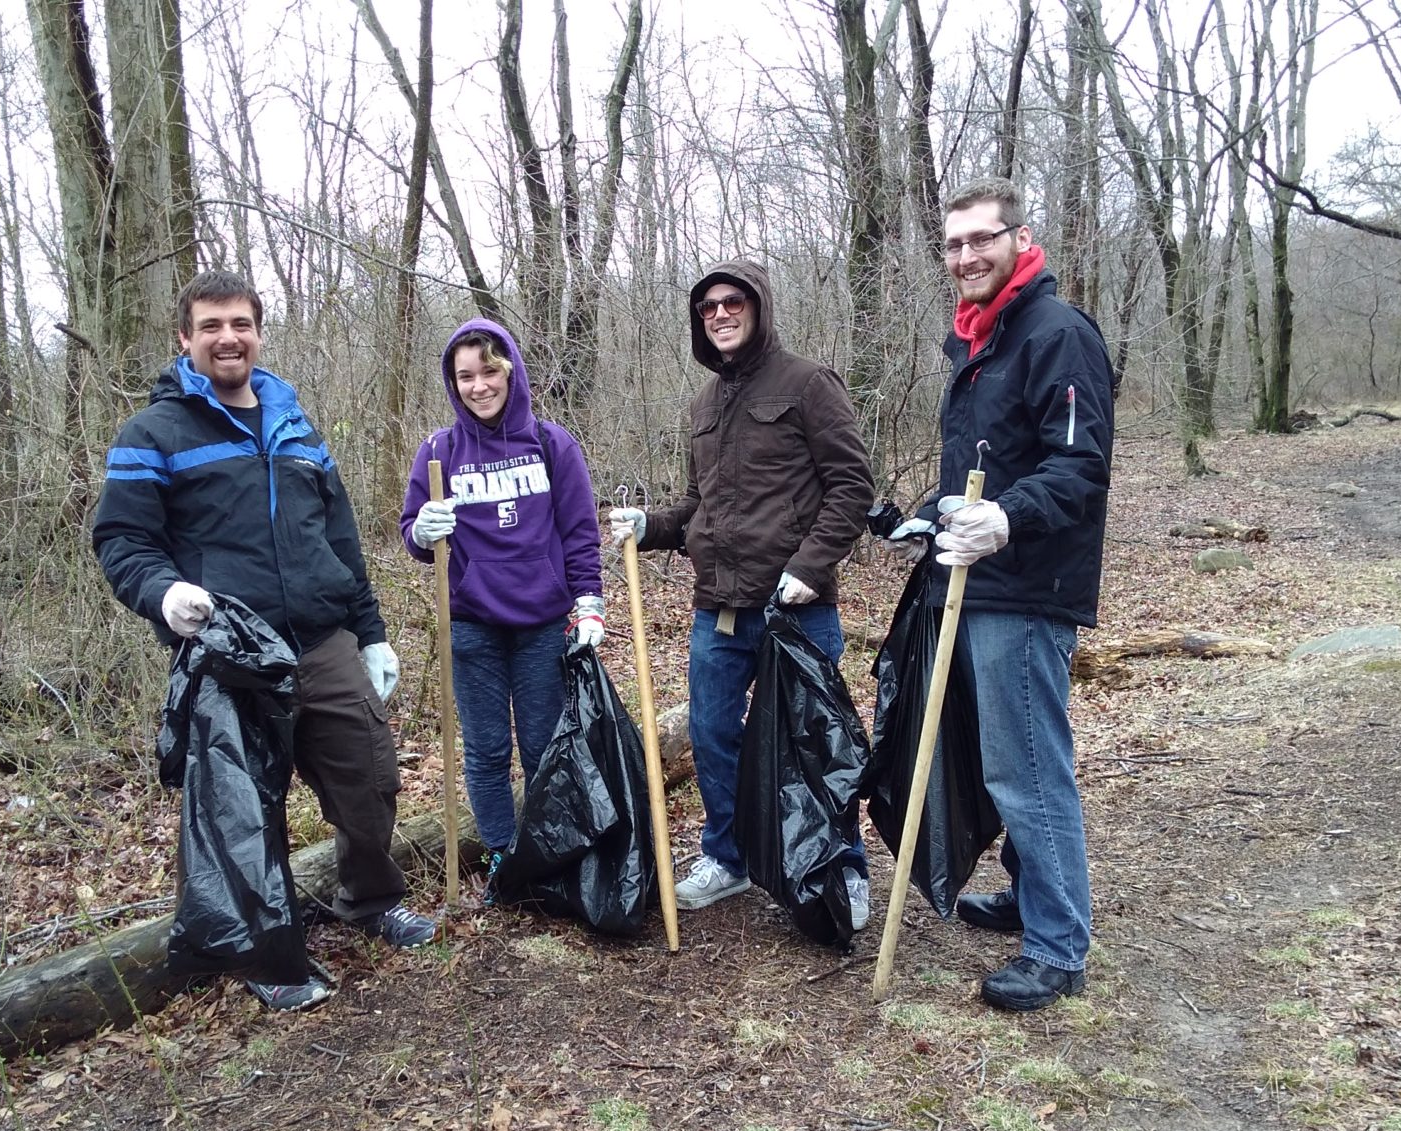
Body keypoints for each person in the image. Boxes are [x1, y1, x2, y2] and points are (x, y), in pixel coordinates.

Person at [93, 270, 437, 1012]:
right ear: (184, 338)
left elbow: (339, 539)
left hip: (322, 641)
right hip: (231, 659)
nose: (228, 337)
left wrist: (371, 635)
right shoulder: (153, 433)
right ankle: (266, 948)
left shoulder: (295, 425)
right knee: (246, 809)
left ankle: (371, 901)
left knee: (371, 779)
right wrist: (165, 593)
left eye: (240, 323)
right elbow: (122, 540)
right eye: (211, 325)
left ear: (258, 332)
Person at [609, 259, 875, 928]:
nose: (720, 314)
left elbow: (851, 488)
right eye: (707, 308)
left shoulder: (808, 384)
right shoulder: (703, 406)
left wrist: (809, 568)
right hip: (717, 610)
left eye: (732, 302)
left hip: (796, 611)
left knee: (813, 743)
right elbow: (700, 507)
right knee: (712, 736)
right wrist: (651, 526)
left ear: (758, 306)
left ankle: (841, 867)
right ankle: (727, 860)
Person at [905, 177, 1114, 1011]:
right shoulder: (982, 340)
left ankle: (1059, 948)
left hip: (1029, 587)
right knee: (1008, 764)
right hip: (980, 580)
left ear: (1021, 240)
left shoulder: (1055, 334)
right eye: (954, 245)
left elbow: (1077, 466)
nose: (966, 257)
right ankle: (1033, 897)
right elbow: (985, 466)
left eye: (981, 240)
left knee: (1028, 769)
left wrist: (1004, 519)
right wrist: (932, 515)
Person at [400, 319, 604, 892]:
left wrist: (589, 603)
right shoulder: (439, 452)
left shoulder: (551, 444)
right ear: (452, 383)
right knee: (486, 751)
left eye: (489, 370)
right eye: (465, 376)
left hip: (542, 623)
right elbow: (412, 536)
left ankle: (543, 854)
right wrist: (424, 531)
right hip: (472, 626)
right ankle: (501, 854)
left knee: (543, 747)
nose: (478, 385)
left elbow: (579, 532)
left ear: (511, 372)